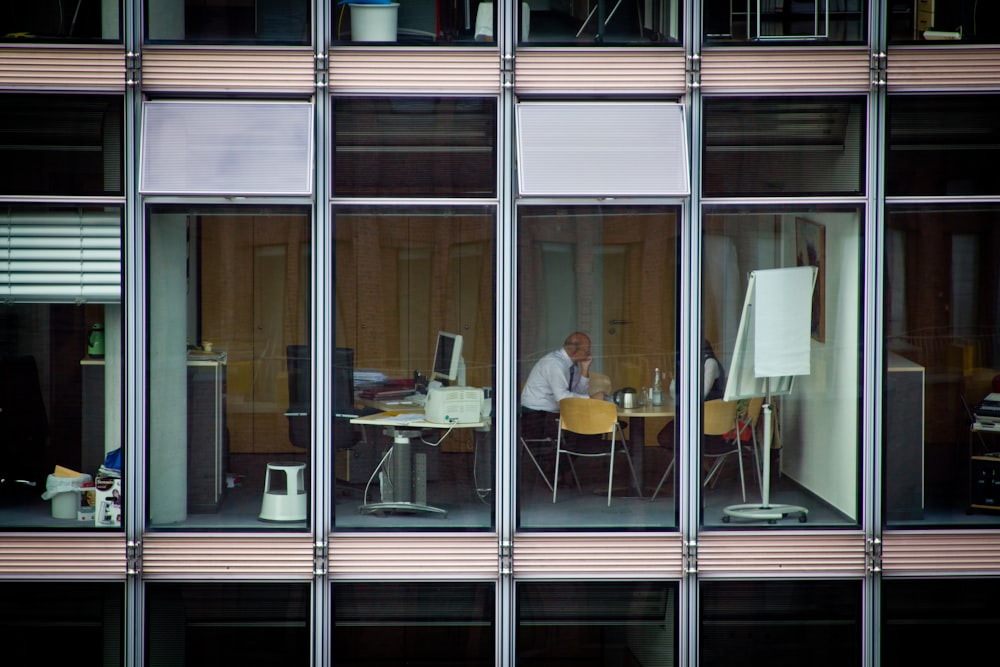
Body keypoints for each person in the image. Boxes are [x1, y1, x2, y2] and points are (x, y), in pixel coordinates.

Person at [520, 331, 605, 441]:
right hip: (538, 416)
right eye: (586, 350)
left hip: (554, 413)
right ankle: (560, 457)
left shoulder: (570, 364)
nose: (589, 353)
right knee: (588, 433)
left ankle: (565, 456)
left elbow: (576, 394)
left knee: (594, 429)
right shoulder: (555, 364)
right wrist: (591, 399)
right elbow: (562, 398)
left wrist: (585, 370)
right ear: (574, 350)